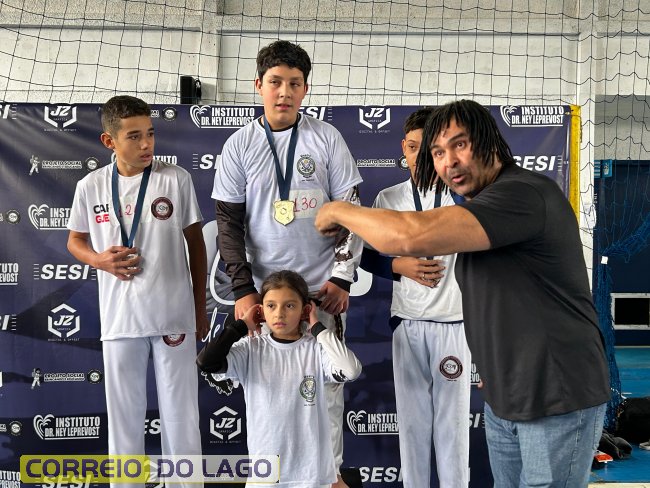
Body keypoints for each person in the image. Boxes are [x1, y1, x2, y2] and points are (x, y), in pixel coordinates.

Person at [315, 99, 611, 487]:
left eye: (459, 144)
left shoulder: (520, 194)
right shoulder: (481, 203)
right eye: (438, 152)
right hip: (509, 393)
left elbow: (409, 235)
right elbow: (495, 296)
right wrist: (493, 362)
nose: (448, 161)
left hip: (557, 395)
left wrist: (337, 210)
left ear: (489, 141)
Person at [212, 40, 362, 487]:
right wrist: (244, 291)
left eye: (295, 83)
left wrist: (342, 277)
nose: (285, 92)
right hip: (267, 300)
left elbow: (351, 210)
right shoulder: (239, 145)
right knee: (271, 398)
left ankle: (328, 478)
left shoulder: (326, 138)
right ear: (258, 85)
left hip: (319, 293)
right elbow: (228, 225)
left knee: (326, 395)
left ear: (305, 89)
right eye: (275, 82)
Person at [67, 95, 207, 487]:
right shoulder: (90, 186)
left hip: (174, 316)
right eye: (134, 136)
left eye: (150, 134)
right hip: (120, 318)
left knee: (181, 417)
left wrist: (198, 308)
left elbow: (197, 246)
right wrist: (99, 260)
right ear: (109, 141)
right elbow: (75, 241)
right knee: (124, 420)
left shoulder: (175, 178)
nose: (146, 144)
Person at [360, 107, 471, 487]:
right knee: (412, 425)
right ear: (403, 149)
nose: (418, 156)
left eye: (427, 148)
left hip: (454, 323)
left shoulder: (462, 197)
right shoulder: (389, 198)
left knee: (453, 428)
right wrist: (398, 266)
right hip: (408, 322)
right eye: (412, 147)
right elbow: (364, 255)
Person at [196, 270, 362, 487]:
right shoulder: (250, 349)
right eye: (271, 306)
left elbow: (351, 370)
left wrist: (318, 328)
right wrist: (240, 326)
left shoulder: (316, 350)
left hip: (311, 475)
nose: (279, 314)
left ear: (305, 310)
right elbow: (206, 362)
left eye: (290, 306)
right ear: (261, 310)